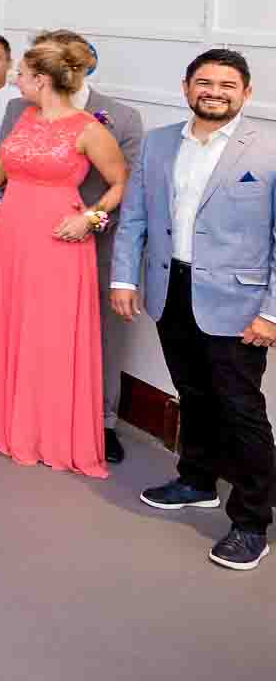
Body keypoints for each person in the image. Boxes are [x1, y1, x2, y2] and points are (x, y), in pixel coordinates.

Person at [112, 49, 275, 572]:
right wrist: (123, 277)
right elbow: (134, 216)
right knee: (195, 393)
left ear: (245, 93)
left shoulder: (268, 149)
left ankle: (251, 522)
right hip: (170, 288)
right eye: (204, 82)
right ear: (186, 88)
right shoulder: (160, 143)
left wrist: (272, 313)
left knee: (241, 409)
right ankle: (198, 480)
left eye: (228, 84)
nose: (215, 91)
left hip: (238, 301)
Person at [0, 35, 129, 477]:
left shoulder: (88, 129)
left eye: (20, 73)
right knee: (11, 320)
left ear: (40, 79)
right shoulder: (25, 116)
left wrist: (89, 221)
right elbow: (3, 163)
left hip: (59, 238)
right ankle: (4, 417)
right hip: (12, 235)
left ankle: (47, 430)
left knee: (48, 331)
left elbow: (119, 184)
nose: (15, 79)